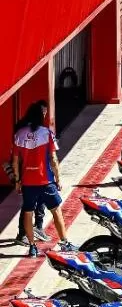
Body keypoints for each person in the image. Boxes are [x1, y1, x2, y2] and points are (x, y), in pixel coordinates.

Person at [12, 100, 72, 257]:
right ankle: (65, 243)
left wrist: (18, 181)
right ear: (40, 116)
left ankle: (32, 246)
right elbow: (53, 158)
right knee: (56, 211)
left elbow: (15, 161)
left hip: (27, 182)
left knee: (28, 212)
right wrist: (58, 179)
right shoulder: (46, 133)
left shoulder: (19, 134)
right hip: (46, 181)